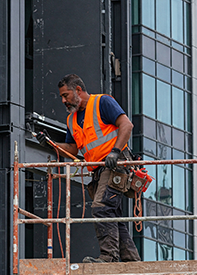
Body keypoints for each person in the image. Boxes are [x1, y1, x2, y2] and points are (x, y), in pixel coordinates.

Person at [36, 74, 140, 263]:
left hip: (115, 163)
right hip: (99, 170)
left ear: (78, 90)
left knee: (101, 208)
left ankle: (109, 257)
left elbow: (126, 125)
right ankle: (131, 259)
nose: (63, 101)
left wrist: (115, 152)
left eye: (66, 95)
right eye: (62, 97)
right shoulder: (72, 120)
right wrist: (51, 144)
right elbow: (73, 150)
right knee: (110, 212)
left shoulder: (102, 102)